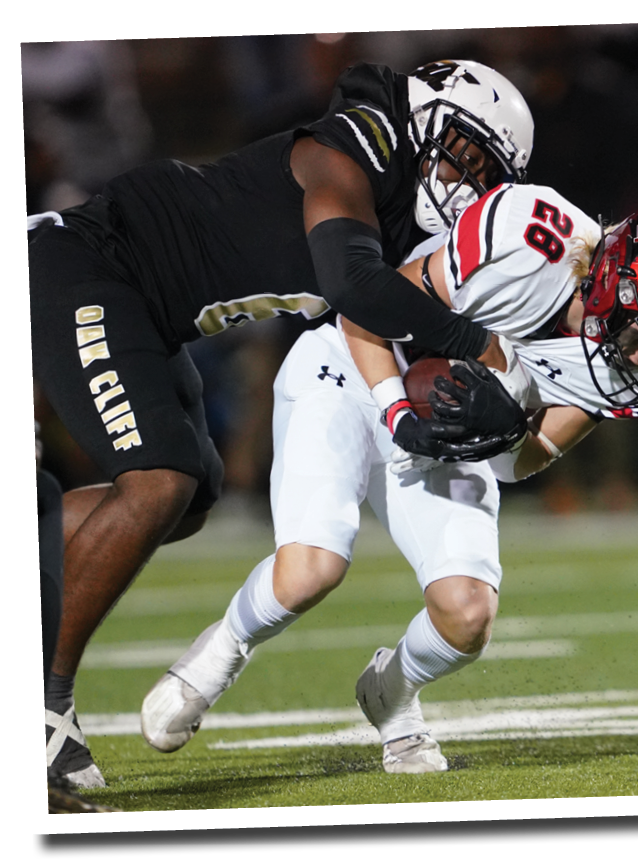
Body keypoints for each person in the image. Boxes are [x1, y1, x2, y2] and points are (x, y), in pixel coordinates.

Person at [29, 58, 535, 788]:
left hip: (147, 310)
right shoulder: (351, 146)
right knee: (158, 481)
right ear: (427, 124)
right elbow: (350, 282)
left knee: (189, 498)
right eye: (466, 155)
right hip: (88, 264)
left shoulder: (407, 216)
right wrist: (476, 346)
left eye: (488, 174)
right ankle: (40, 704)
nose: (468, 183)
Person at [140, 189, 638, 773]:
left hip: (446, 428)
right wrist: (399, 412)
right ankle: (219, 654)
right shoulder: (526, 242)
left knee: (468, 613)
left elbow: (519, 460)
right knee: (312, 568)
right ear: (615, 281)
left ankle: (391, 695)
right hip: (353, 369)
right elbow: (363, 307)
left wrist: (497, 431)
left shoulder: (623, 370)